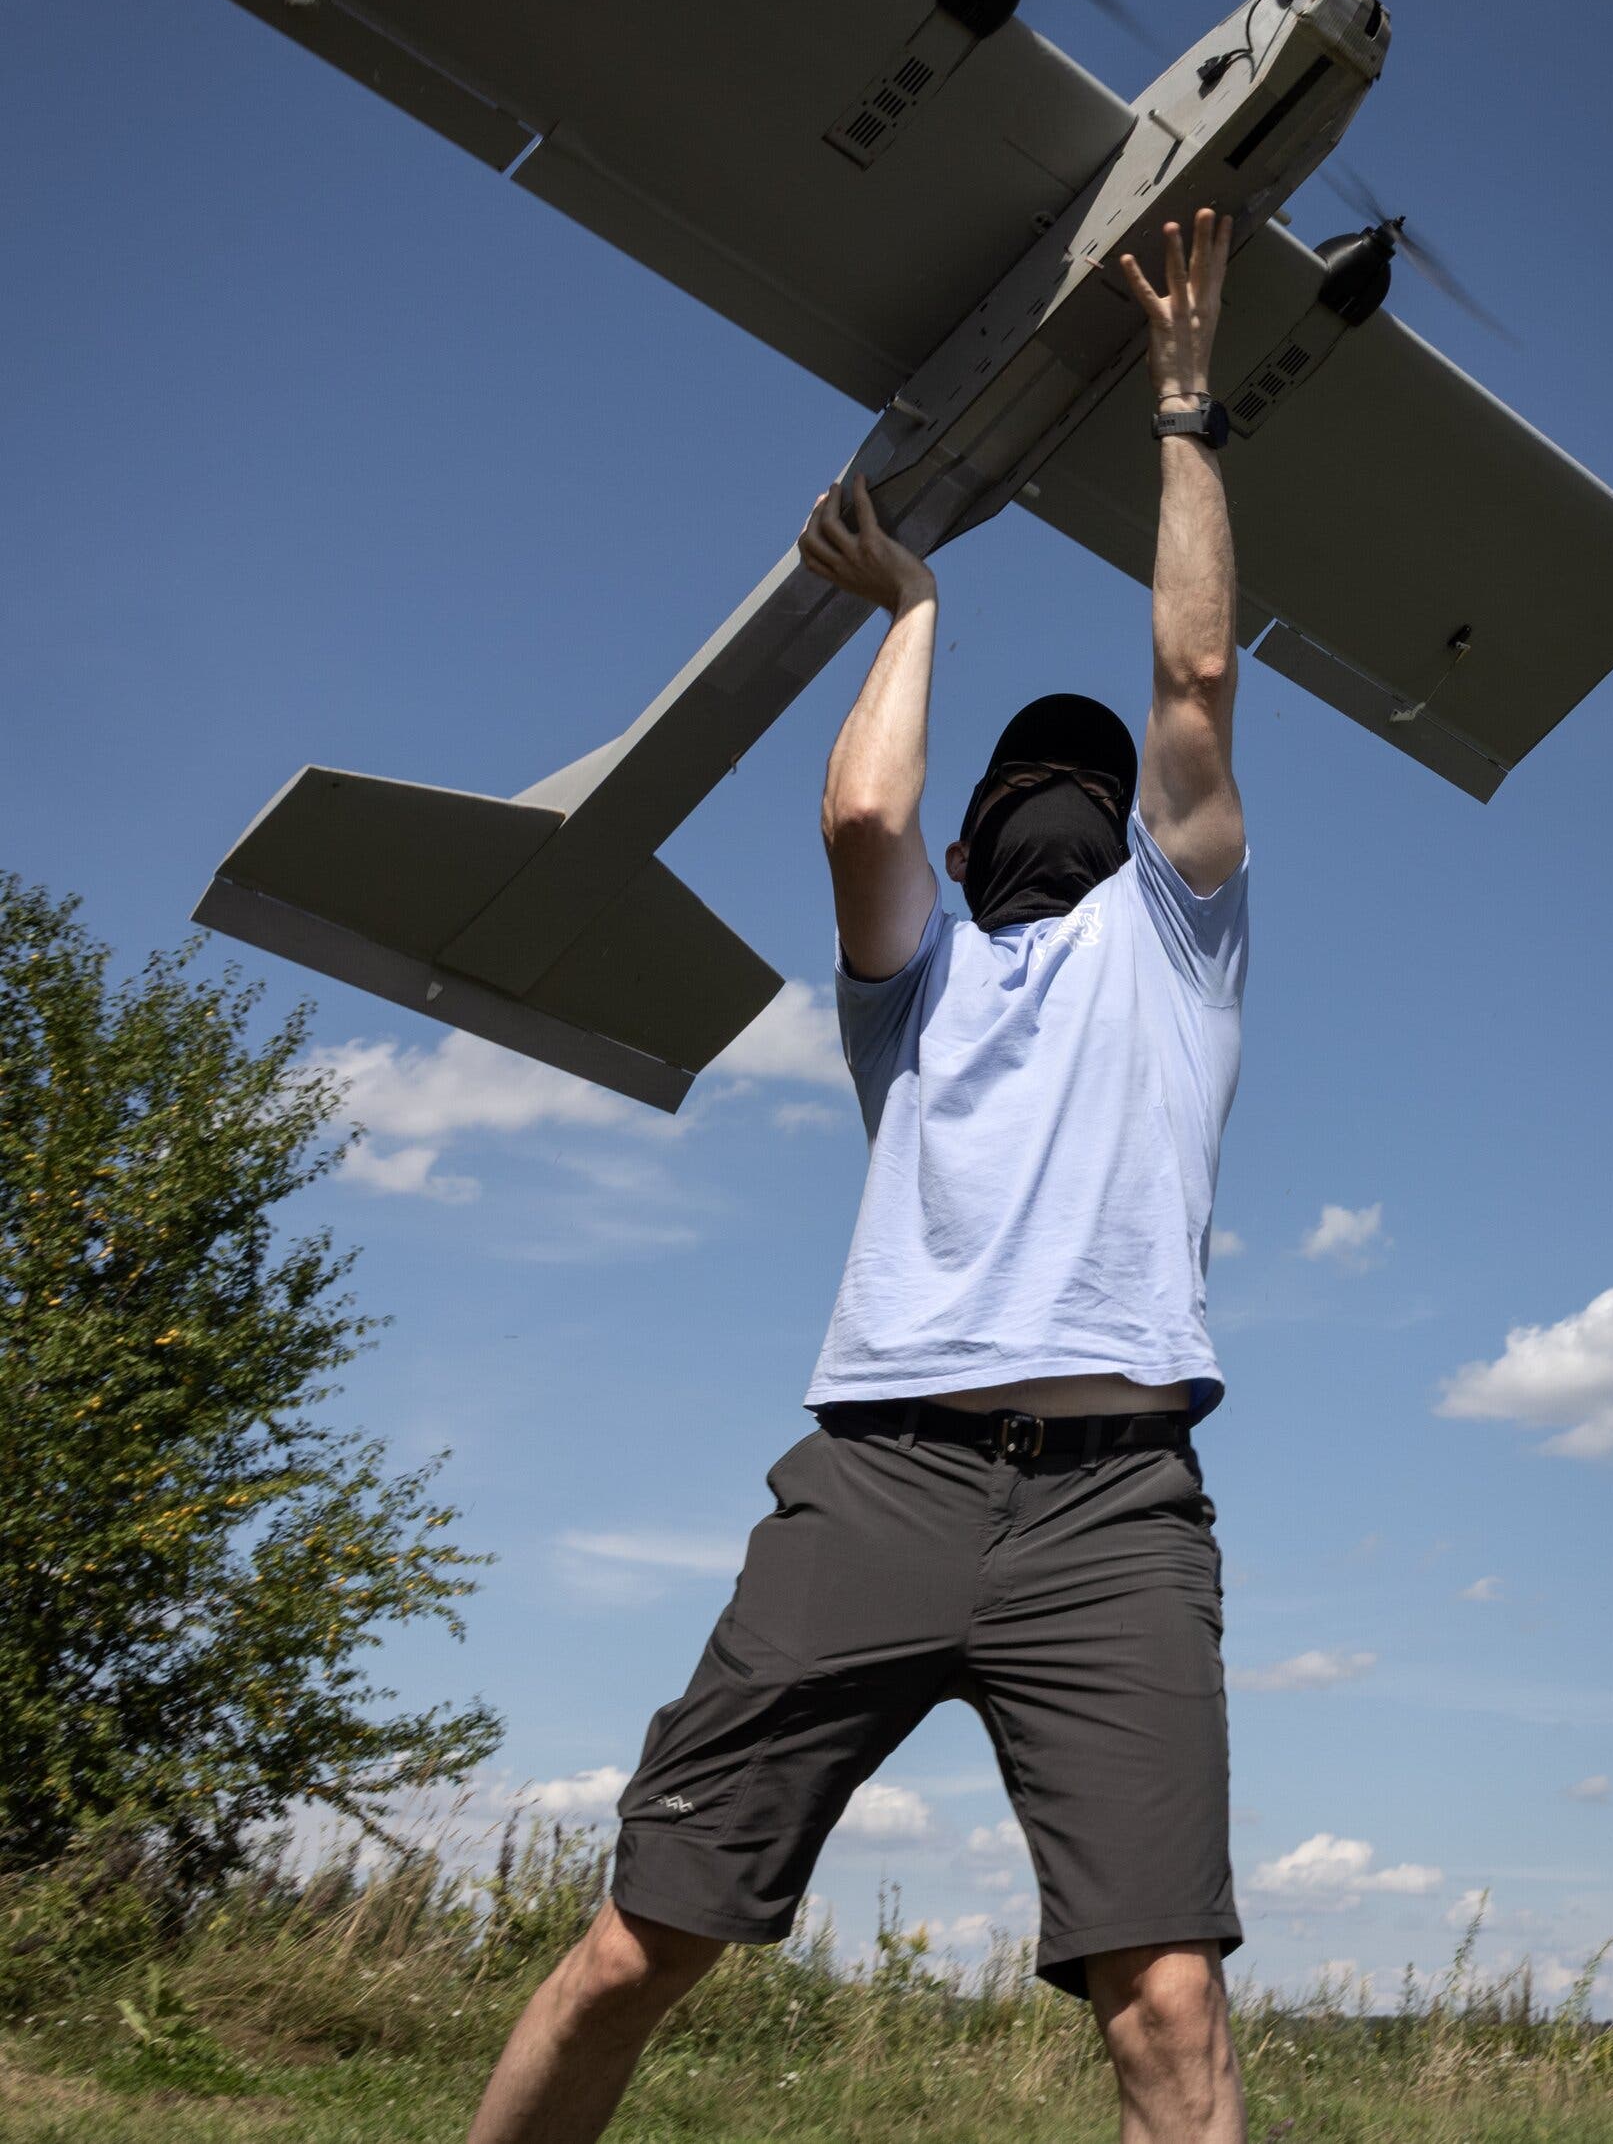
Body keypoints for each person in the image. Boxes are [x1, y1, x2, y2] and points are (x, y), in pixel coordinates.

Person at [468, 208, 1249, 2144]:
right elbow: (862, 808)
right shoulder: (924, 987)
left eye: (1100, 783)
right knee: (640, 1946)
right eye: (1031, 787)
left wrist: (1180, 407)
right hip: (881, 1476)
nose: (1076, 797)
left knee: (1169, 2019)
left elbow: (1196, 679)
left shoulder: (1180, 944)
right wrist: (910, 608)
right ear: (990, 844)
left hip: (1114, 1507)